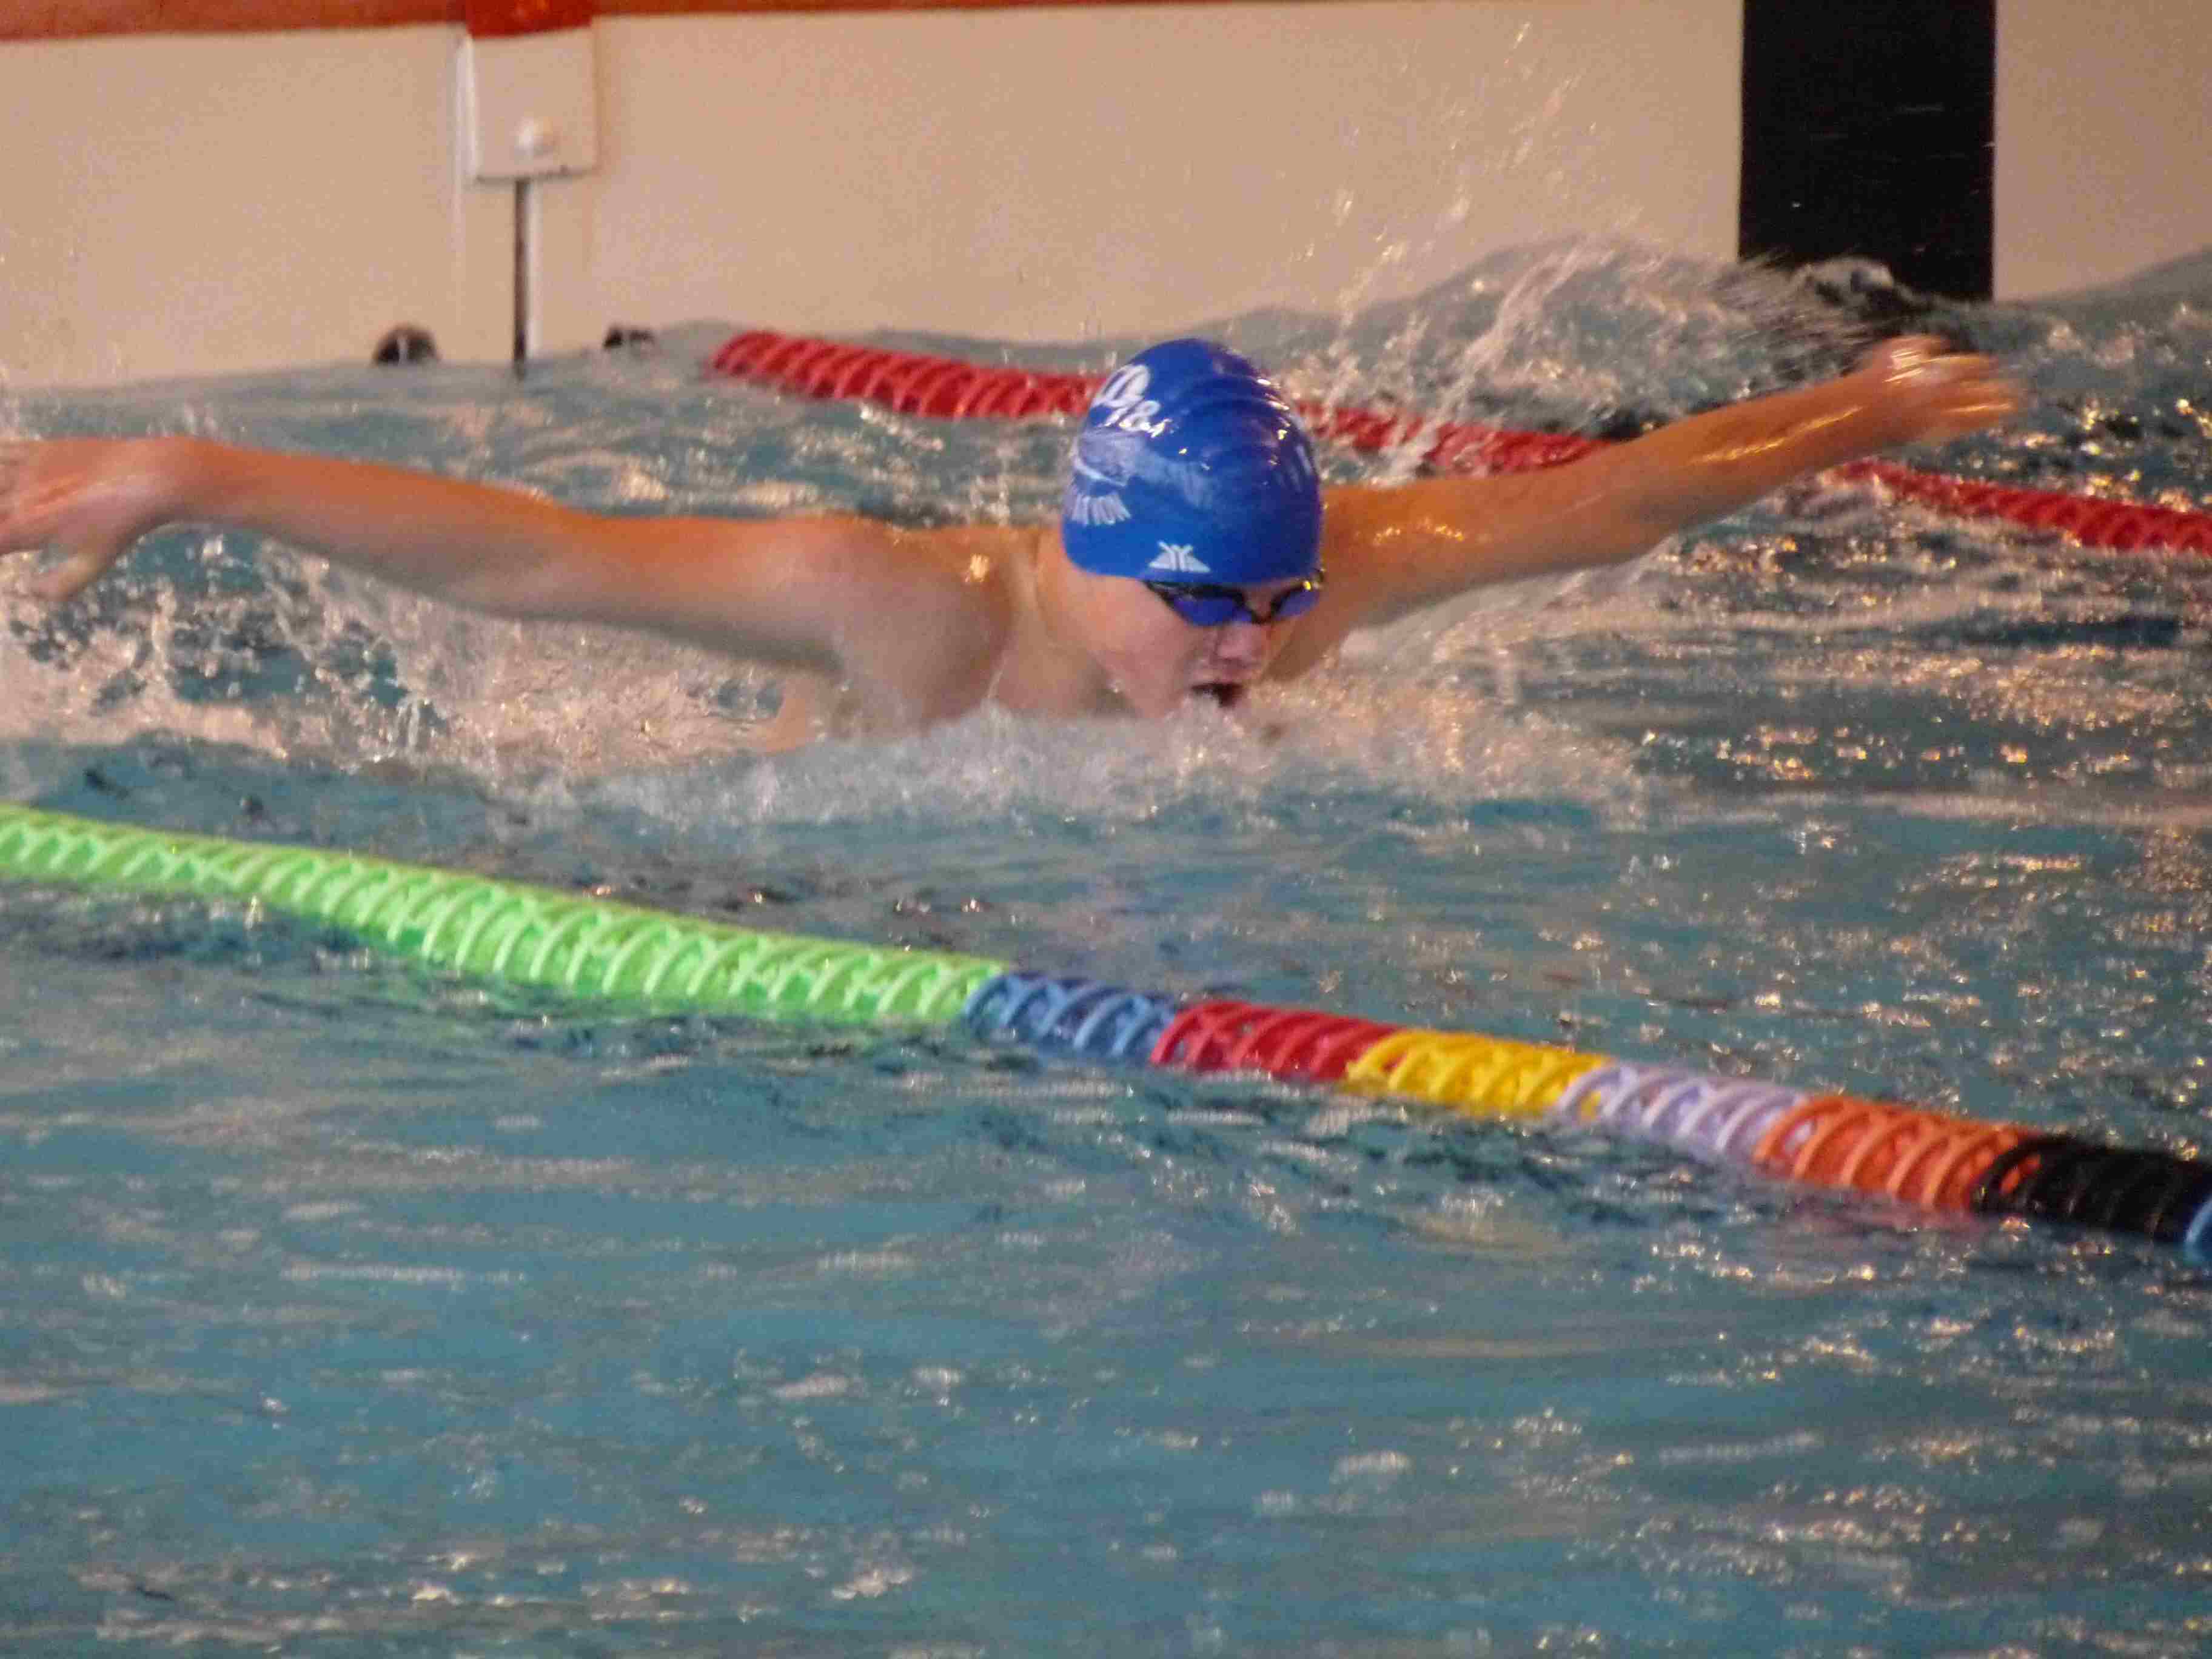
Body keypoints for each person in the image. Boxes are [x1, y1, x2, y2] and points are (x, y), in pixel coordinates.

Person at [1, 333, 2016, 744]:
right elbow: (532, 554)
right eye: (1207, 603)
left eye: (1278, 599)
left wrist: (1871, 407)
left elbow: (1607, 503)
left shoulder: (1306, 595)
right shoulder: (897, 608)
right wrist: (194, 475)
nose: (1250, 649)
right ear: (1087, 545)